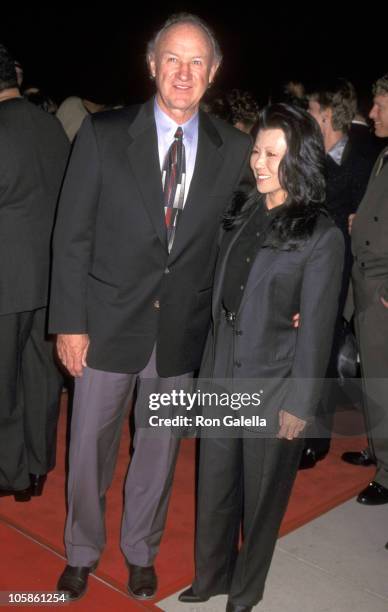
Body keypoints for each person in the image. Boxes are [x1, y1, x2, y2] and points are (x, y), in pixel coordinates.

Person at [49, 12, 252, 602]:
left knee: (158, 455)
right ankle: (82, 550)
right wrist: (69, 323)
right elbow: (71, 237)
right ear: (151, 64)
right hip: (105, 327)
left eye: (196, 62)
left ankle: (141, 551)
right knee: (88, 450)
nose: (183, 73)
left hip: (179, 332)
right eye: (172, 58)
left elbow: (242, 239)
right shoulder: (105, 134)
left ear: (212, 73)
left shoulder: (233, 148)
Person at [179, 103, 344, 612]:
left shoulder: (320, 235)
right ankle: (211, 576)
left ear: (299, 160)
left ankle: (245, 592)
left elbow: (316, 329)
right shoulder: (244, 208)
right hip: (223, 364)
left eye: (273, 154)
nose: (258, 162)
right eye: (257, 149)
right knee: (215, 483)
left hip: (274, 382)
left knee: (262, 498)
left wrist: (300, 404)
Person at [0, 44, 70, 500]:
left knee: (3, 382)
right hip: (50, 277)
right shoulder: (52, 125)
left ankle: (9, 473)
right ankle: (38, 467)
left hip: (6, 279)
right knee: (41, 377)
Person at [300, 78, 374, 469]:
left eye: (311, 110)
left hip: (341, 275)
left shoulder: (363, 160)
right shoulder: (307, 154)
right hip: (304, 267)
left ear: (326, 114)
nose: (306, 116)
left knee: (324, 353)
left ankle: (315, 440)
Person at [344, 73, 388, 504]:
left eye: (379, 104)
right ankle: (378, 452)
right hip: (366, 281)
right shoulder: (384, 153)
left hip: (382, 288)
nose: (371, 112)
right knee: (371, 378)